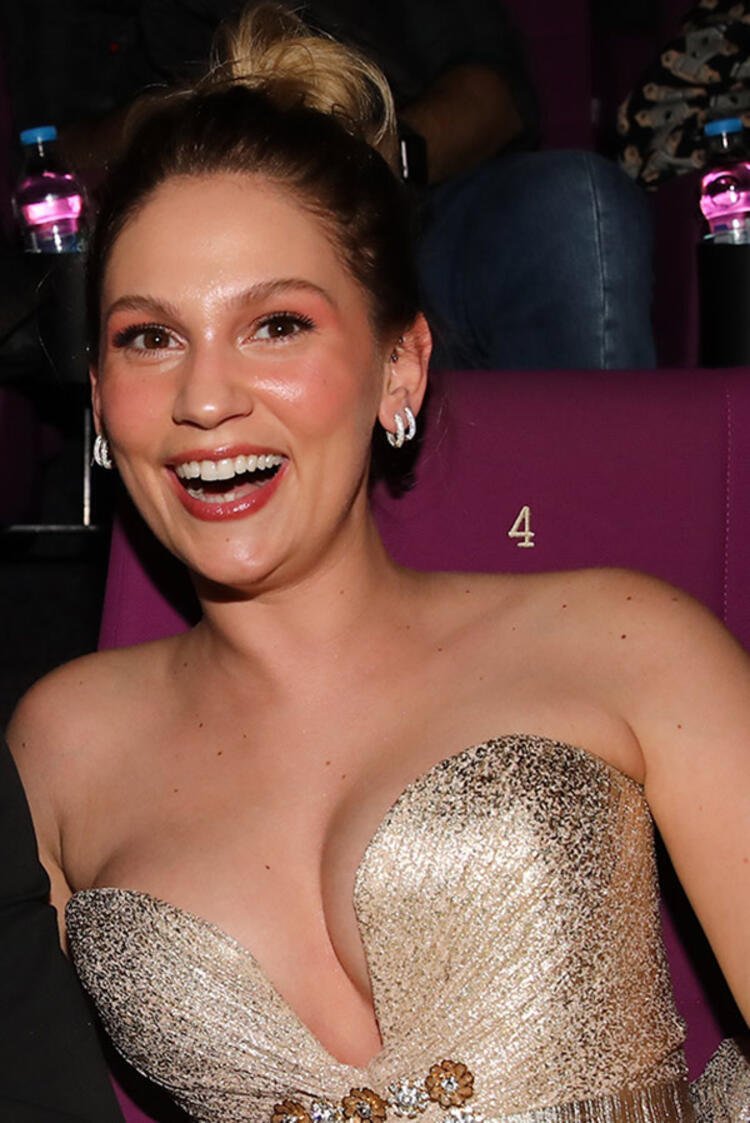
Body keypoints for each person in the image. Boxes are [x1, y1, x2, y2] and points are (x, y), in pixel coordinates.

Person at [5, 5, 749, 1122]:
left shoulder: (629, 641)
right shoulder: (57, 745)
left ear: (400, 366)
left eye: (277, 325)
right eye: (150, 338)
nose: (205, 398)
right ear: (102, 404)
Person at [1, 0, 656, 370]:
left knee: (574, 203)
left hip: (402, 205)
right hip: (188, 235)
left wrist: (367, 154)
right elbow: (50, 151)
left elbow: (497, 95)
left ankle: (599, 518)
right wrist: (216, 127)